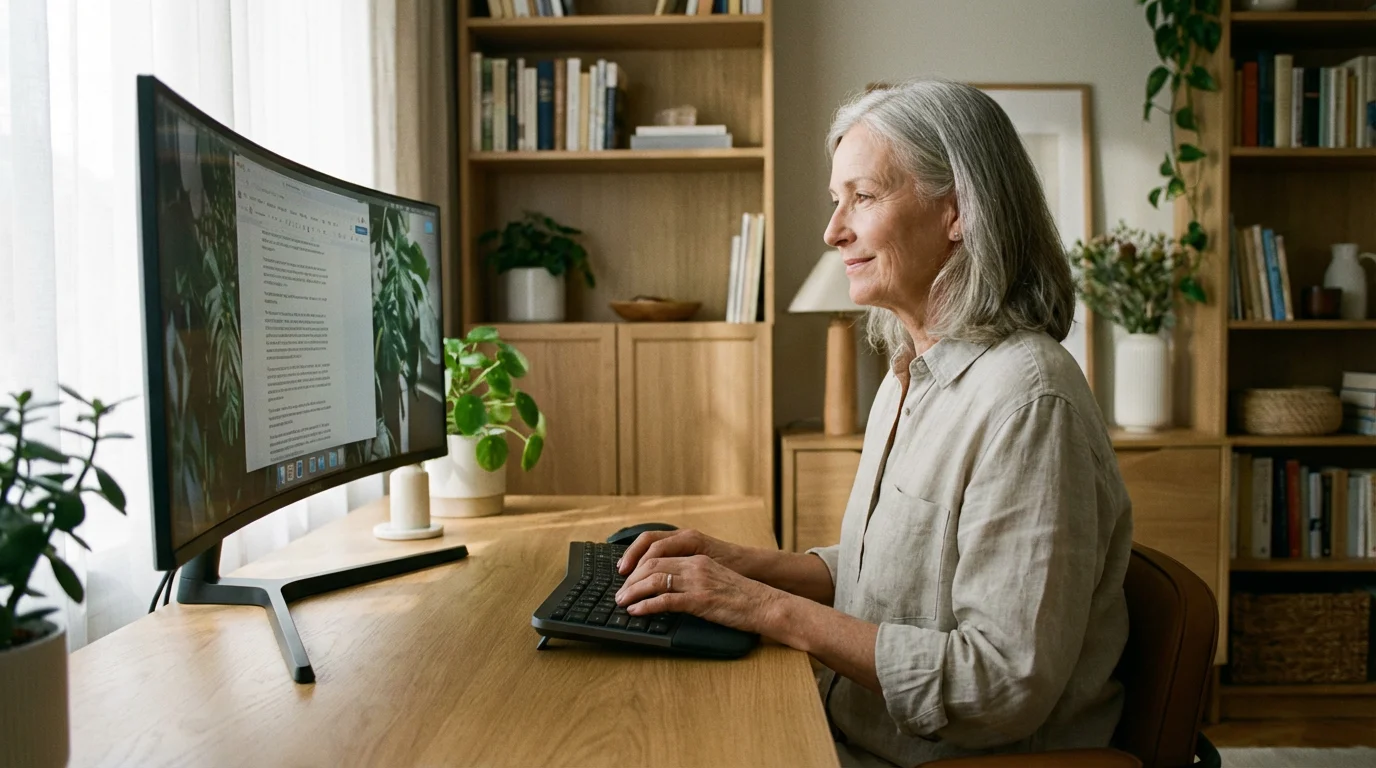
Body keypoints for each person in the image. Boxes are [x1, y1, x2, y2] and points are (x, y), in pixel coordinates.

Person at [613, 78, 1134, 767]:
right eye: (838, 201)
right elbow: (888, 574)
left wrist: (764, 608)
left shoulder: (1029, 402)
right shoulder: (909, 375)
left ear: (957, 211)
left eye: (863, 197)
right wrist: (733, 565)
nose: (834, 231)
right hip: (849, 731)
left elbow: (1002, 683)